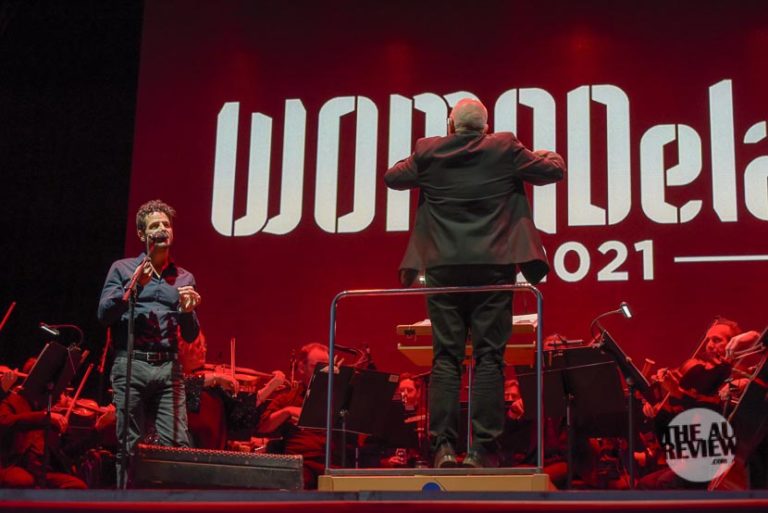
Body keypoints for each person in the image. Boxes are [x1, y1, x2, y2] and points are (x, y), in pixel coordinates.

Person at [384, 98, 565, 468]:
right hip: (492, 268)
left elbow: (393, 176)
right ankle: (482, 450)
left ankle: (443, 448)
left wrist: (433, 150)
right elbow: (553, 170)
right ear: (485, 127)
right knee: (488, 357)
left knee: (446, 357)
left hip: (444, 269)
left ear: (451, 125)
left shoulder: (429, 151)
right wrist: (542, 152)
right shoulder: (505, 147)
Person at [97, 199, 202, 488]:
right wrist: (134, 287)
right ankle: (126, 503)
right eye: (155, 225)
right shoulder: (122, 269)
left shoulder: (184, 277)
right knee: (129, 446)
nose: (162, 229)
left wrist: (187, 312)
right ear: (142, 234)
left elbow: (190, 335)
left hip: (169, 368)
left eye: (166, 224)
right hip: (131, 363)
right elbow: (104, 315)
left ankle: (166, 504)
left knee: (176, 444)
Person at [257, 342, 329, 489]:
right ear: (302, 367)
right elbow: (263, 426)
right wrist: (287, 411)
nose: (323, 372)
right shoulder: (288, 398)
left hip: (334, 465)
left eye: (327, 367)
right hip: (303, 466)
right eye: (316, 367)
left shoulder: (339, 397)